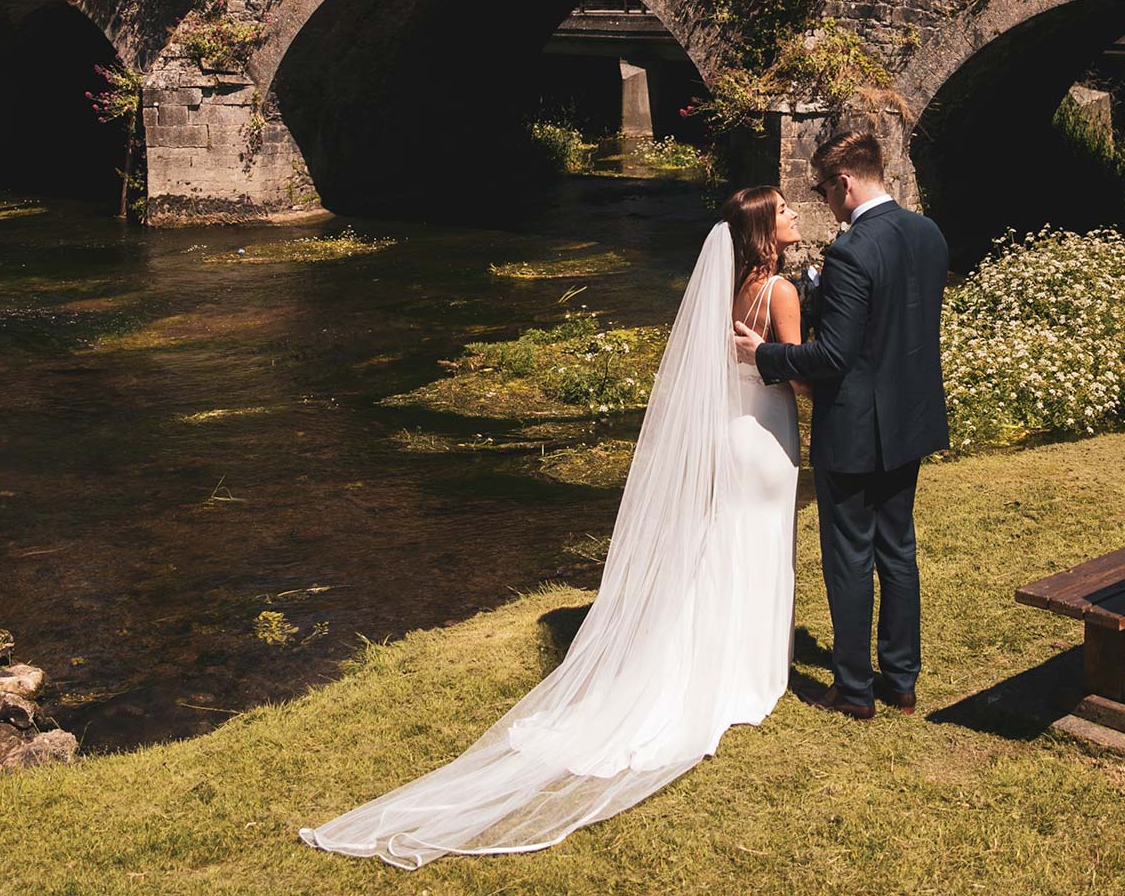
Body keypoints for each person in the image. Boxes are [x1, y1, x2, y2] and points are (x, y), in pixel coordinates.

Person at [298, 187, 804, 868]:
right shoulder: (779, 291)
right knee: (758, 545)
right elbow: (798, 376)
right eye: (784, 210)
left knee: (722, 548)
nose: (794, 214)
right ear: (764, 229)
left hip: (728, 434)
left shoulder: (728, 285)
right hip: (764, 436)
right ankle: (749, 672)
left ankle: (717, 660)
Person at [734, 131, 948, 720]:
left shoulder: (852, 250)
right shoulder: (928, 233)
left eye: (825, 190)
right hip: (910, 420)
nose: (824, 202)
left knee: (850, 555)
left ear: (846, 182)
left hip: (854, 428)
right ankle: (901, 681)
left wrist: (763, 355)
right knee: (897, 548)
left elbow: (833, 355)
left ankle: (854, 689)